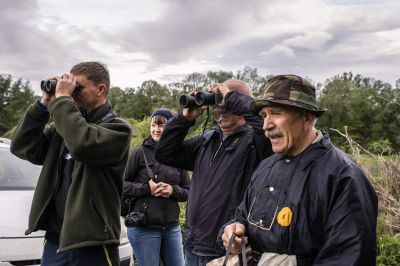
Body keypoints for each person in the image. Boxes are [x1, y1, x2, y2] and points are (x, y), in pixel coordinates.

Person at [220, 74, 378, 266]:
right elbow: (241, 217)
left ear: (307, 118)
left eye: (276, 113)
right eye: (264, 115)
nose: (266, 125)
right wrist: (233, 231)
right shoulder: (266, 167)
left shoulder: (344, 177)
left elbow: (348, 259)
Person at [10, 61, 132, 266]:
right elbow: (22, 146)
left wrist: (64, 99)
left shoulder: (118, 130)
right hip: (56, 241)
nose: (73, 93)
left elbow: (82, 145)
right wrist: (43, 104)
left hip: (93, 243)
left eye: (78, 88)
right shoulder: (63, 129)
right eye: (70, 87)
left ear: (101, 90)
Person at [154, 80, 273, 266]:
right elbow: (164, 153)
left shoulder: (256, 142)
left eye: (227, 104)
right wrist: (184, 120)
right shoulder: (208, 140)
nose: (222, 109)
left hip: (225, 252)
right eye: (218, 104)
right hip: (193, 247)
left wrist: (233, 99)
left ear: (241, 103)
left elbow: (264, 122)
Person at [123, 108, 190, 266]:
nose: (156, 129)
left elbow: (189, 191)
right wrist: (146, 188)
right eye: (153, 125)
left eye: (162, 125)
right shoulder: (138, 154)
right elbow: (120, 185)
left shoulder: (179, 156)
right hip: (144, 228)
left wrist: (173, 190)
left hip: (172, 228)